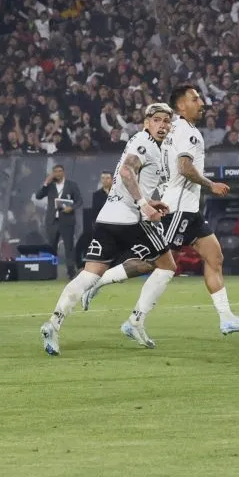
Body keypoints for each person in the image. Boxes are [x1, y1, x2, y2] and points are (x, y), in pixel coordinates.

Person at [82, 85, 239, 335]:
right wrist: (211, 185)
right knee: (153, 262)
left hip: (190, 209)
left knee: (215, 257)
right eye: (195, 99)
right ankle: (105, 288)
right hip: (178, 209)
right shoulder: (187, 131)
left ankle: (226, 317)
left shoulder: (175, 130)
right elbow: (185, 167)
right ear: (181, 106)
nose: (201, 102)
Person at [40, 104, 177, 357]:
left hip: (109, 218)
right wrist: (144, 204)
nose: (163, 125)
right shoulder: (144, 142)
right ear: (147, 123)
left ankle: (54, 323)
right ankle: (135, 322)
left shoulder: (148, 144)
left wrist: (148, 200)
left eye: (167, 121)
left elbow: (132, 178)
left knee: (90, 275)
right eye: (157, 120)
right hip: (131, 219)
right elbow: (126, 171)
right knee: (167, 266)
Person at [35, 164, 83, 279]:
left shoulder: (71, 185)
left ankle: (71, 272)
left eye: (60, 171)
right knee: (51, 247)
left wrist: (71, 208)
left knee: (69, 247)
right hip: (52, 221)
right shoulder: (50, 186)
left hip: (67, 220)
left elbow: (79, 201)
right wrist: (46, 183)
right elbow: (38, 196)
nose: (57, 173)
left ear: (63, 172)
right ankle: (50, 272)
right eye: (55, 171)